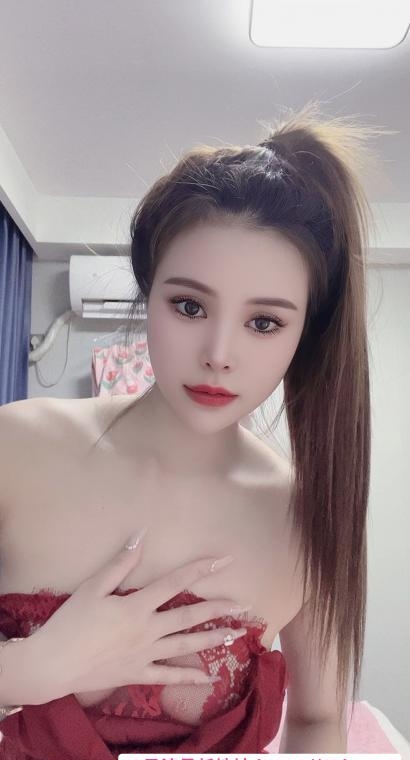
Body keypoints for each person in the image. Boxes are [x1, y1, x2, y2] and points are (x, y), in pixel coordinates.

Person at [0, 101, 384, 756]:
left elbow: (319, 723)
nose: (219, 353)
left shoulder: (306, 515)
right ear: (147, 292)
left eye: (264, 322)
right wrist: (34, 668)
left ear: (304, 335)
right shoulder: (18, 448)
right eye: (189, 305)